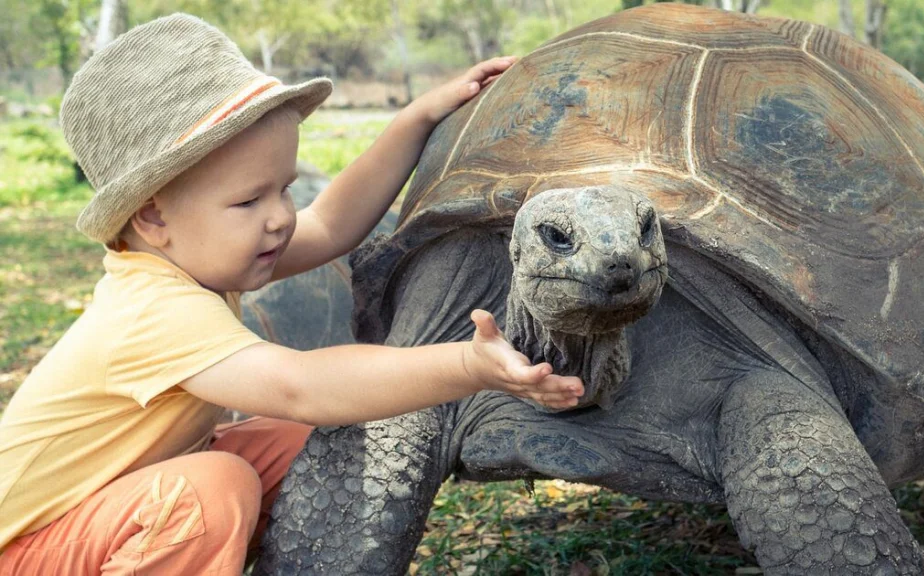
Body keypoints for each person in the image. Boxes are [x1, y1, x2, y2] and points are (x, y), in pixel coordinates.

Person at [0, 13, 583, 575]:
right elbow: (299, 386)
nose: (280, 218)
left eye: (283, 189)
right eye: (250, 201)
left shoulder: (197, 258)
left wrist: (417, 119)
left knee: (310, 447)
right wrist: (466, 363)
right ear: (153, 217)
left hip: (101, 511)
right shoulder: (149, 311)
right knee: (206, 493)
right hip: (24, 549)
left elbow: (330, 222)